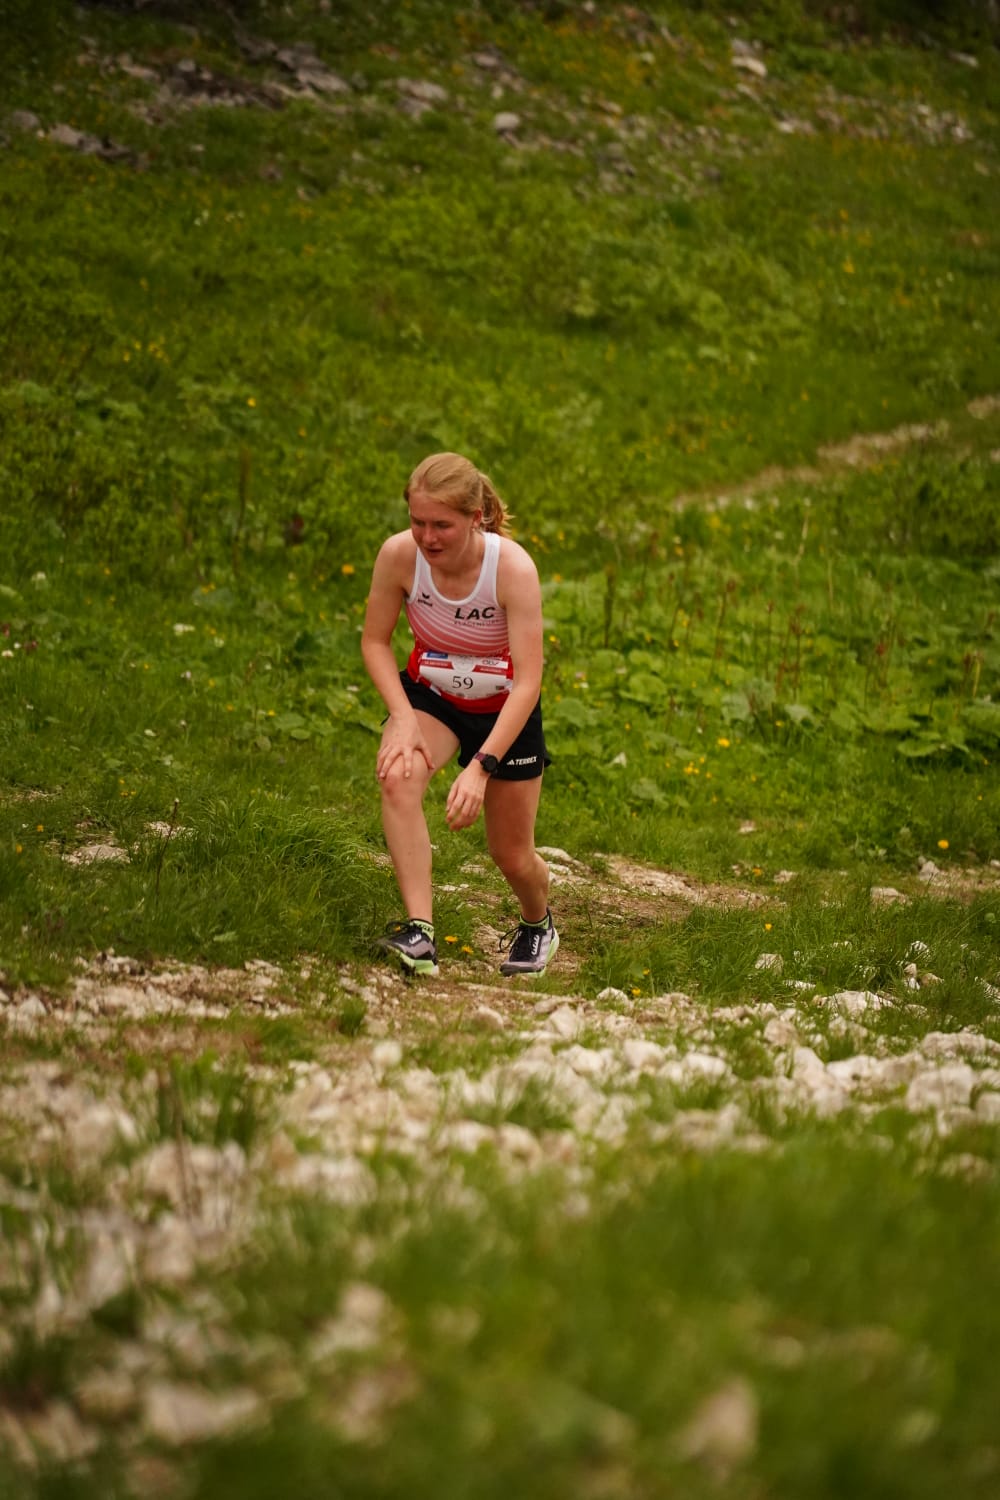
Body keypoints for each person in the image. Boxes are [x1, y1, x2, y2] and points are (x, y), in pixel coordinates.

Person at [361, 451, 558, 979]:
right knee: (397, 775)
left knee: (511, 855)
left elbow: (529, 681)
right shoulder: (398, 556)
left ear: (475, 518)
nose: (427, 538)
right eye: (418, 521)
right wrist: (402, 717)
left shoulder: (511, 568)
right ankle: (419, 931)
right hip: (434, 695)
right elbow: (375, 641)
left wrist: (480, 767)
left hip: (505, 708)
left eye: (441, 525)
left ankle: (538, 923)